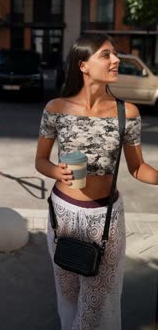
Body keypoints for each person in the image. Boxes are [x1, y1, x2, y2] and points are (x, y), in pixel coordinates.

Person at [35, 33, 158, 330]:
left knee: (96, 303)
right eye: (106, 55)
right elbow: (40, 161)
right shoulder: (55, 108)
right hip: (61, 214)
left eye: (115, 54)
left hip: (105, 218)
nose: (116, 60)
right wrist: (56, 172)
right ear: (83, 65)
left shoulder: (127, 112)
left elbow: (138, 167)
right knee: (67, 294)